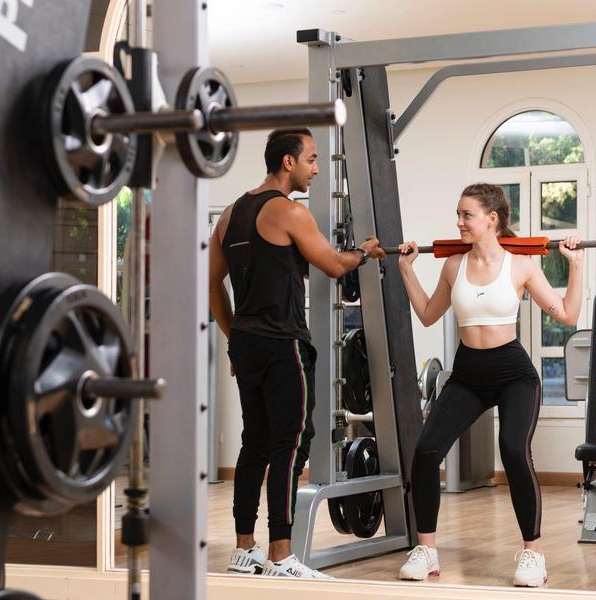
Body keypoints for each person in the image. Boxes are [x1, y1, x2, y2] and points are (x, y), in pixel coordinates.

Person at [208, 128, 385, 579]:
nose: (316, 168)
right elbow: (332, 263)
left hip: (247, 343)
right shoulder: (289, 212)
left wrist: (234, 336)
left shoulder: (228, 215)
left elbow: (211, 283)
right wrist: (364, 252)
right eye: (311, 159)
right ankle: (282, 554)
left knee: (255, 444)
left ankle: (244, 548)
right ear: (288, 162)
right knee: (291, 442)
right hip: (284, 342)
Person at [396, 183, 583, 587]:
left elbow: (568, 314)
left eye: (466, 214)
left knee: (513, 450)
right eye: (458, 214)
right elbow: (429, 314)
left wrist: (576, 265)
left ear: (491, 219)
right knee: (427, 451)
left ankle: (533, 555)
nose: (459, 221)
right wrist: (407, 271)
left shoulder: (521, 265)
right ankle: (426, 549)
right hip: (467, 376)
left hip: (514, 375)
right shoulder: (453, 265)